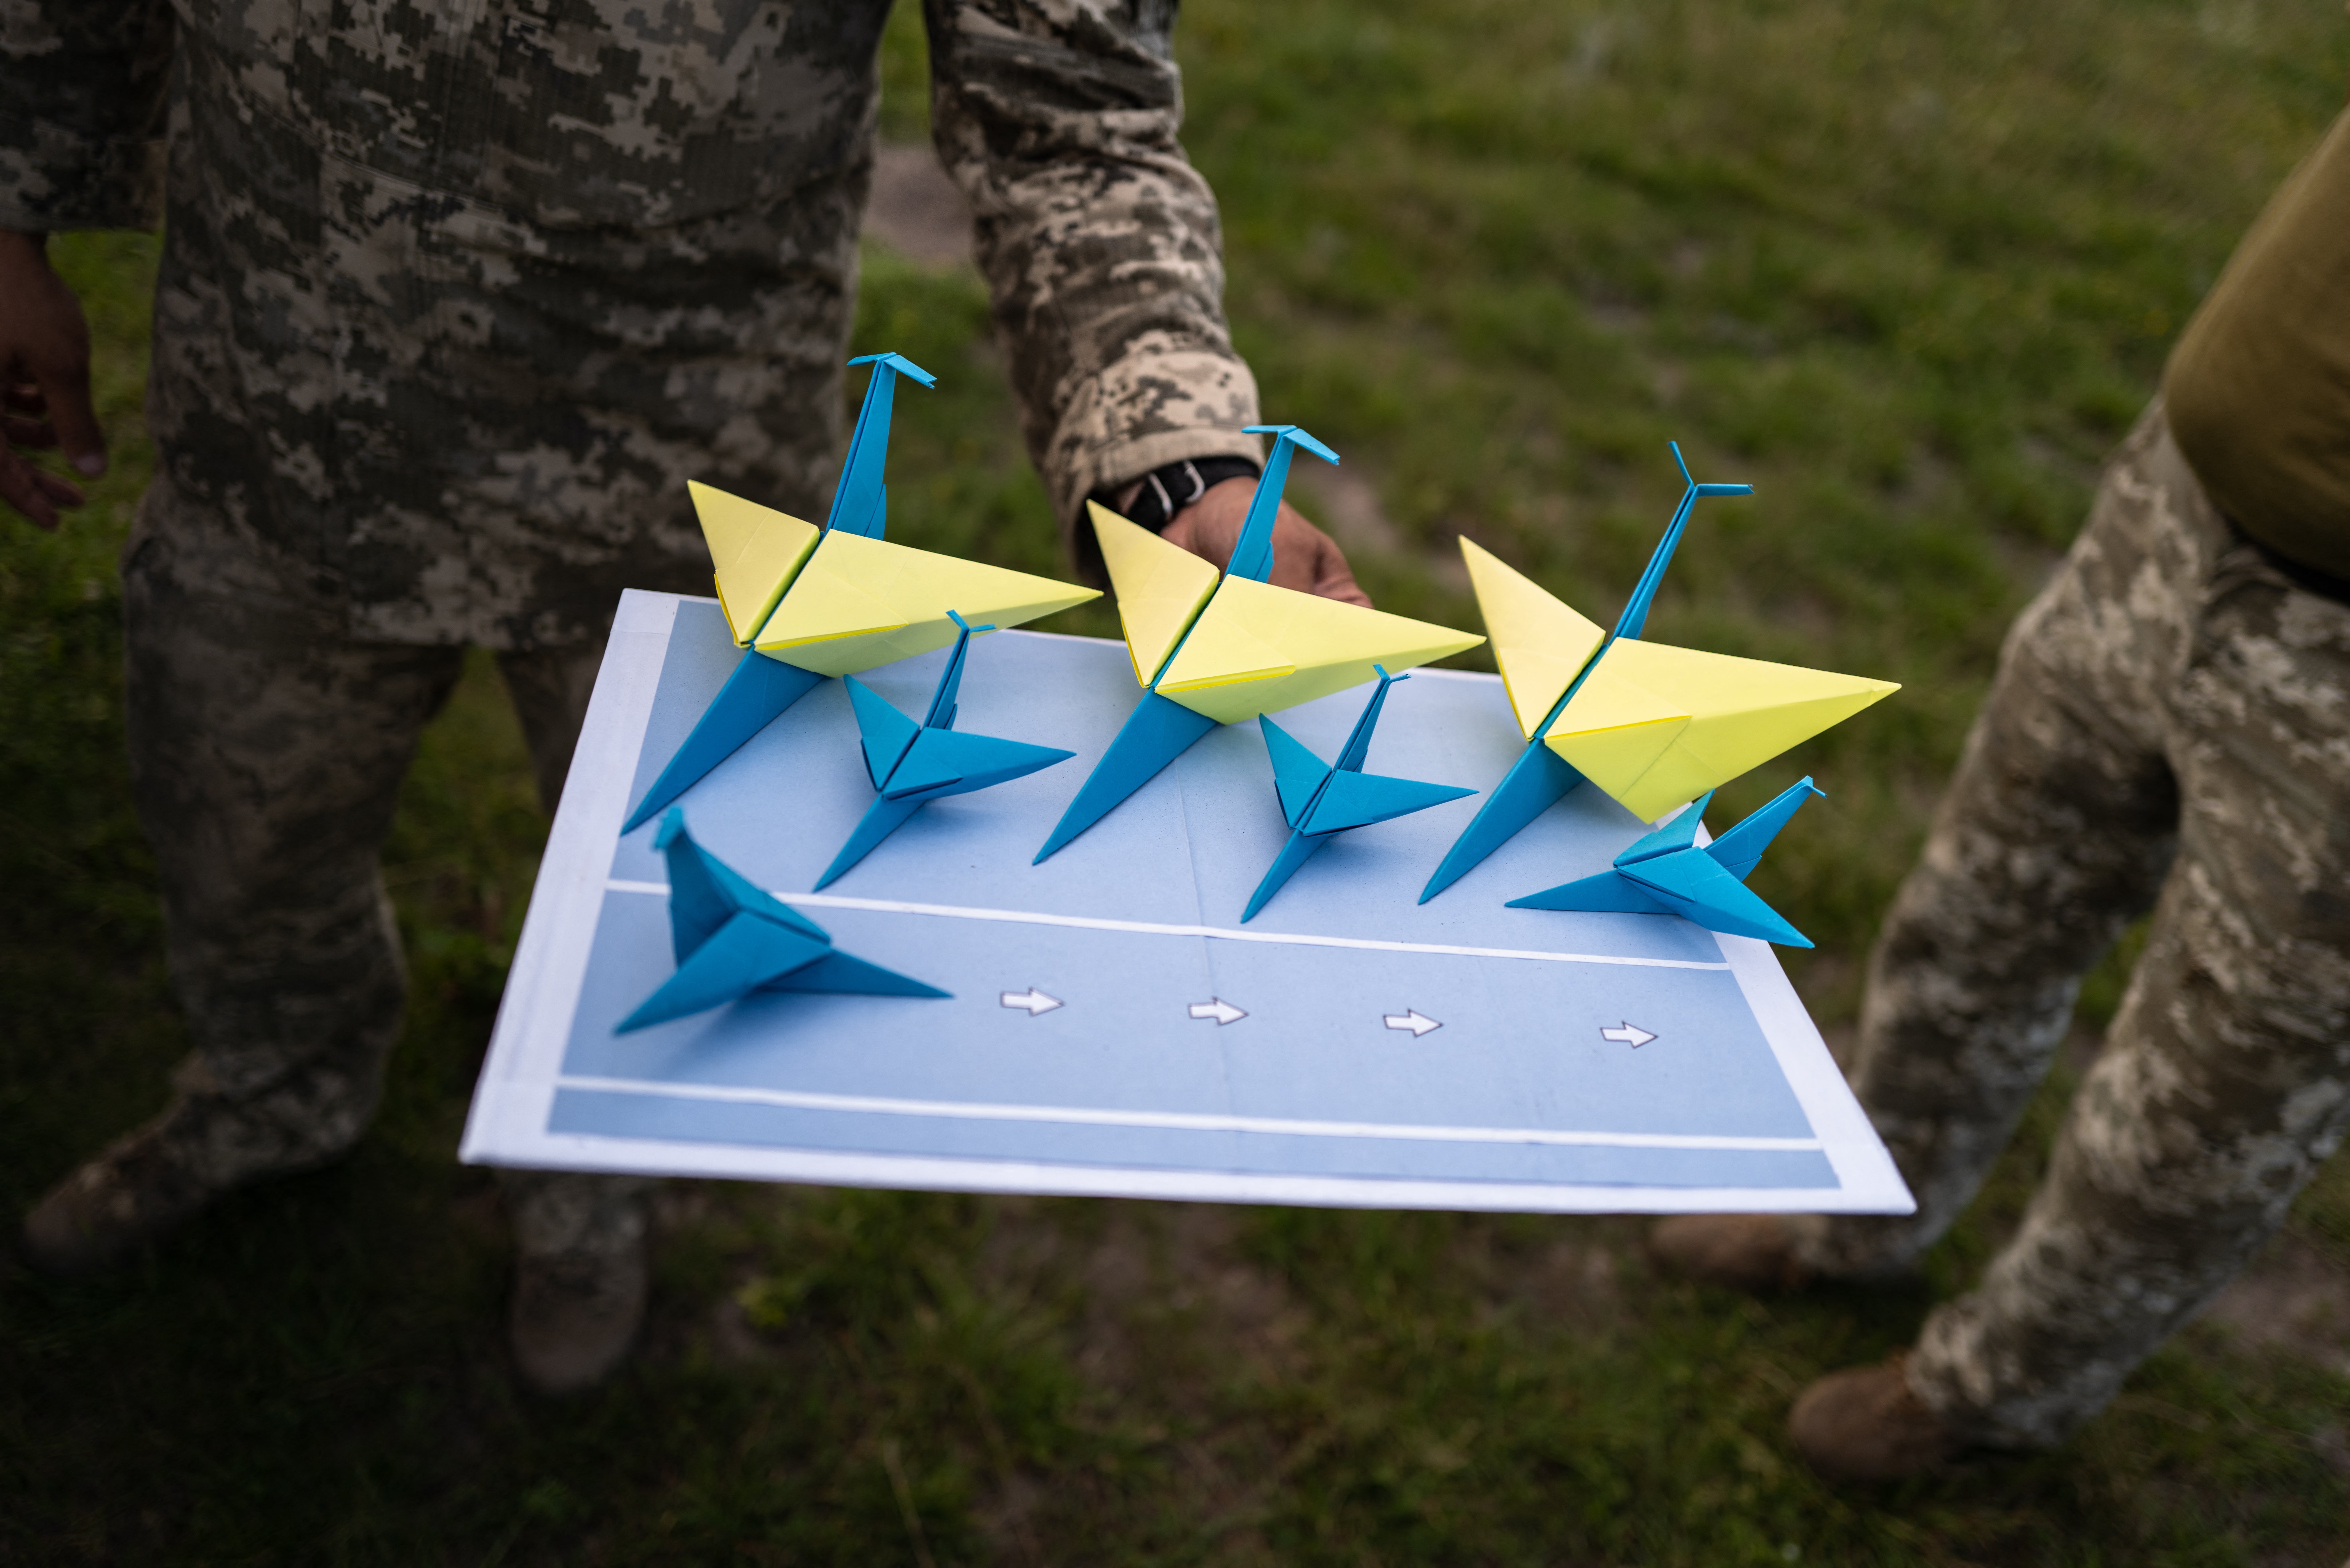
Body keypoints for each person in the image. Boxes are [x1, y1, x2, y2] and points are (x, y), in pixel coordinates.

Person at [0, 0, 1366, 1395]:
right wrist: (12, 195)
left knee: (673, 898)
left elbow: (1073, 122)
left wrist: (1172, 465)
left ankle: (588, 1193)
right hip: (276, 411)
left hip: (681, 482)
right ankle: (273, 1088)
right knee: (237, 842)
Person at [1651, 106, 2350, 1480]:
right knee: (1978, 907)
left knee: (2200, 1110)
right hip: (2179, 504)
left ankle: (1993, 1394)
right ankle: (1854, 1212)